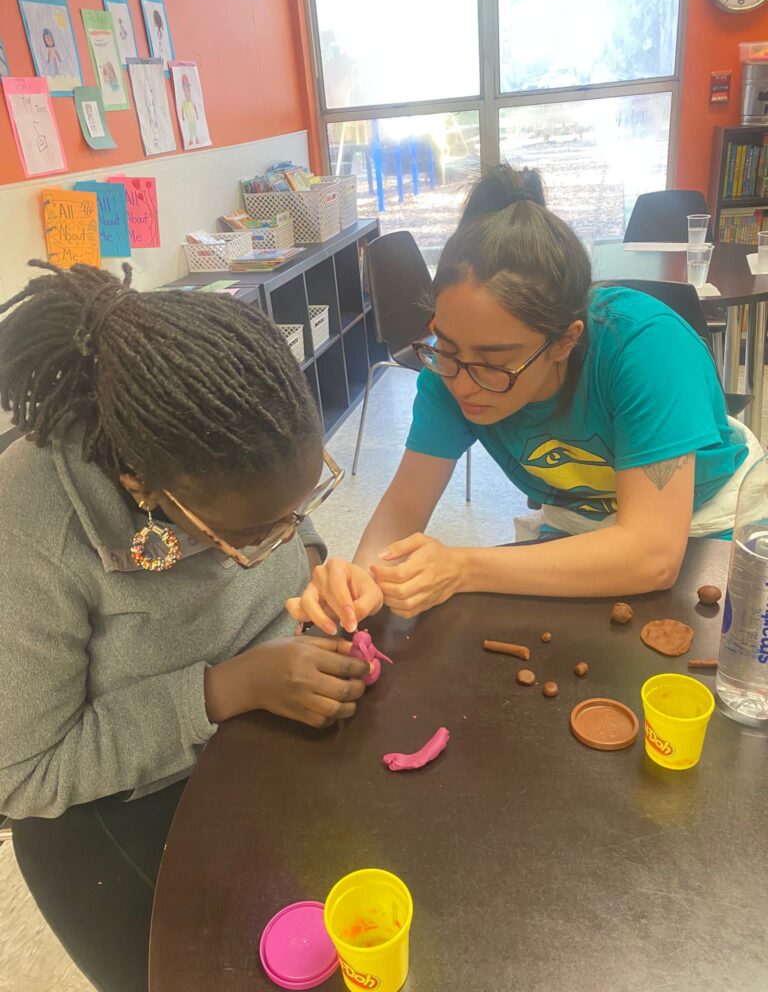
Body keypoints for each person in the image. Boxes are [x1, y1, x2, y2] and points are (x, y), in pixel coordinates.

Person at [0, 261, 370, 992]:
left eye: (298, 507)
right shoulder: (32, 530)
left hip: (258, 733)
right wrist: (221, 692)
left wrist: (323, 566)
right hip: (121, 805)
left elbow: (285, 524)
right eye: (257, 533)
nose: (284, 536)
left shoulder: (236, 445)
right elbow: (24, 776)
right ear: (145, 488)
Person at [288, 165, 762, 633]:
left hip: (707, 520)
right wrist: (362, 580)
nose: (464, 384)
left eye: (495, 364)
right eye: (446, 348)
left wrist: (463, 567)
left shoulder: (646, 349)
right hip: (581, 523)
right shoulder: (448, 370)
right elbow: (400, 514)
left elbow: (651, 554)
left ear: (564, 342)